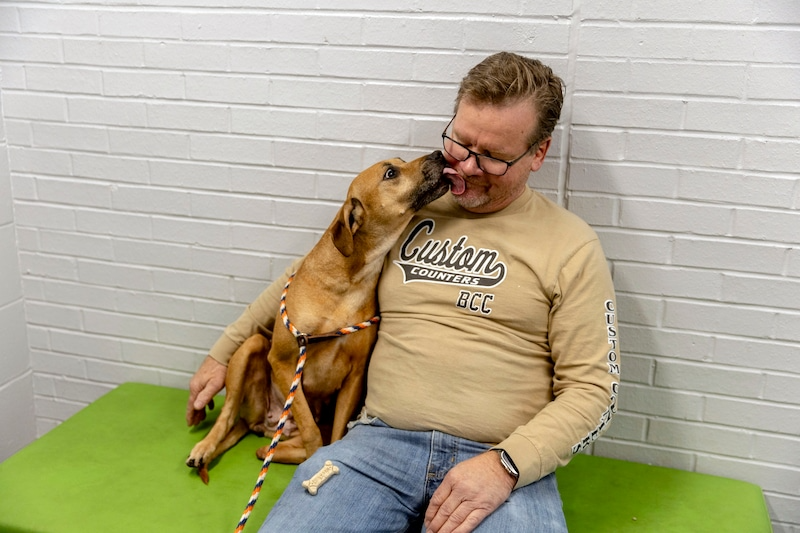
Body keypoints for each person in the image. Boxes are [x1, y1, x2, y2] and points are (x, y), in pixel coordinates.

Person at [186, 51, 619, 533]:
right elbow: (310, 277)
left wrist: (507, 465)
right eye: (460, 141)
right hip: (377, 446)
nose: (468, 166)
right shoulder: (406, 210)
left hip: (503, 463)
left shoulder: (570, 244)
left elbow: (594, 389)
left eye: (493, 156)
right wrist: (224, 352)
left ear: (538, 153)